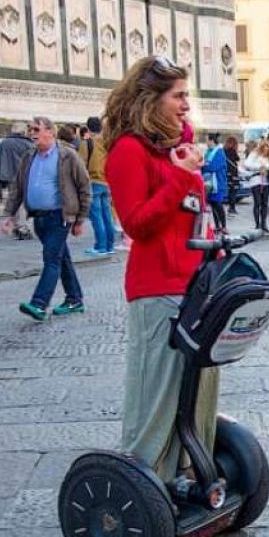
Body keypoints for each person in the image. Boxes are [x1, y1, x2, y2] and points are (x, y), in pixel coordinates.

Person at [102, 55, 218, 488]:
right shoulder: (128, 152)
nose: (187, 104)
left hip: (194, 286)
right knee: (157, 394)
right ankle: (148, 479)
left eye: (187, 95)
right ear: (150, 99)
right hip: (156, 289)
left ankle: (194, 467)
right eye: (179, 96)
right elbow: (137, 223)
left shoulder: (177, 151)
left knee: (200, 390)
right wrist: (179, 177)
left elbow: (192, 215)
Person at [5, 116, 91, 321]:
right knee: (62, 259)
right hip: (39, 219)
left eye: (36, 129)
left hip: (59, 217)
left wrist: (80, 220)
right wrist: (10, 215)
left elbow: (84, 187)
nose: (32, 133)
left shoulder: (67, 156)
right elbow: (18, 187)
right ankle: (74, 299)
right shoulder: (29, 156)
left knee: (51, 259)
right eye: (30, 129)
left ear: (50, 132)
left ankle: (39, 303)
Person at [77, 116, 115, 256]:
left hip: (93, 181)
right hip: (107, 182)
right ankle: (110, 245)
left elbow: (80, 165)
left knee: (96, 216)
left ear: (88, 128)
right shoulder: (108, 144)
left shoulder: (86, 143)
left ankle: (100, 246)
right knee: (107, 216)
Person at [0, 121, 35, 239]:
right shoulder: (28, 144)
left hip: (7, 175)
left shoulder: (4, 143)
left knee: (12, 200)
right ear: (24, 131)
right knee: (22, 202)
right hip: (23, 176)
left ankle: (15, 226)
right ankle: (22, 227)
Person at [243, 137, 269, 232]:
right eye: (264, 149)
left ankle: (264, 224)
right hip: (256, 181)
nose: (266, 151)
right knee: (257, 203)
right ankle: (257, 225)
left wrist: (268, 169)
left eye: (267, 150)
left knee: (265, 203)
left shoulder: (268, 157)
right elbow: (247, 164)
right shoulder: (254, 154)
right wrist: (259, 167)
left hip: (266, 181)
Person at [201, 133, 229, 234]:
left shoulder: (219, 152)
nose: (206, 142)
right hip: (209, 183)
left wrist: (204, 166)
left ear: (212, 140)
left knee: (218, 204)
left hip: (217, 183)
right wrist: (204, 165)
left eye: (207, 140)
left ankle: (224, 226)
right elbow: (204, 164)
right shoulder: (207, 152)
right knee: (213, 204)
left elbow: (212, 166)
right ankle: (217, 226)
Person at [223, 136, 241, 215]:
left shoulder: (224, 151)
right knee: (233, 191)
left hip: (227, 173)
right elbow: (238, 158)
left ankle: (230, 207)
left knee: (230, 190)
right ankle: (232, 208)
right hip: (233, 173)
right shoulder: (233, 151)